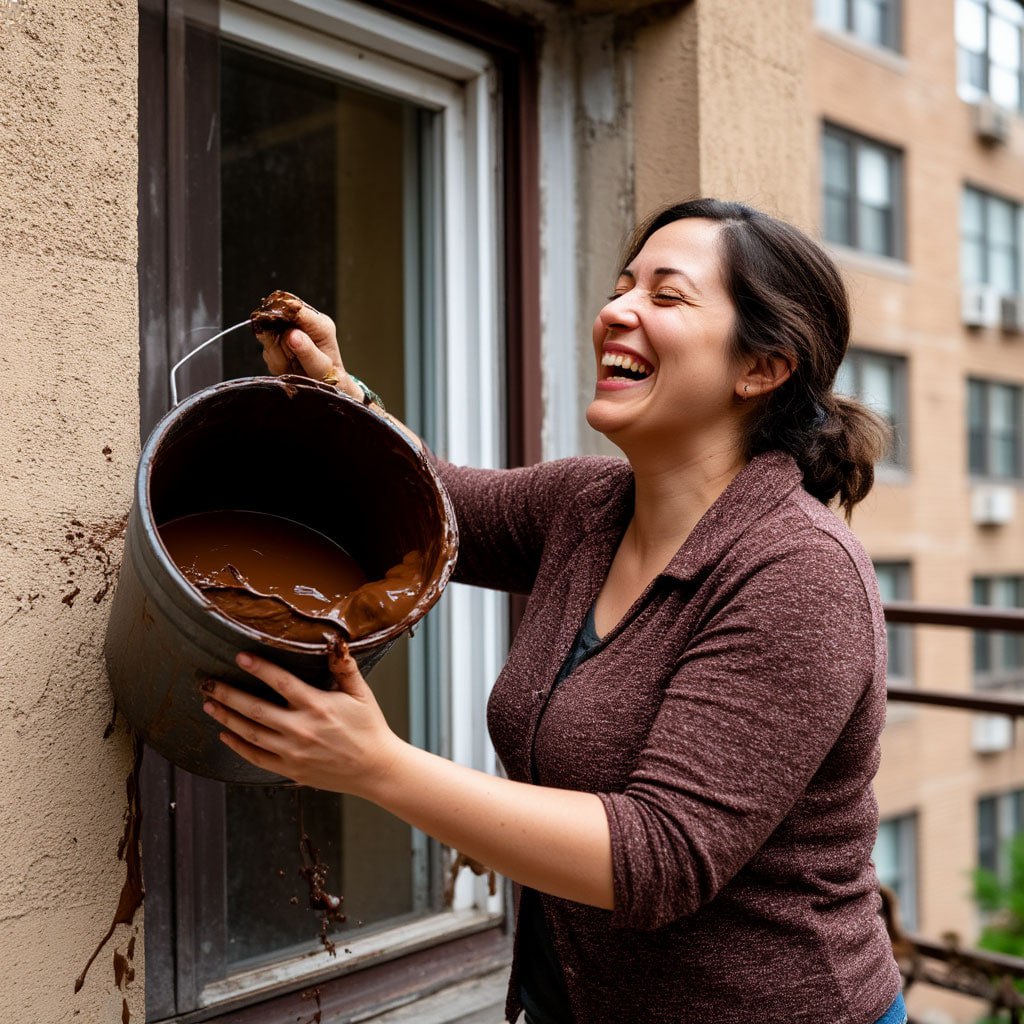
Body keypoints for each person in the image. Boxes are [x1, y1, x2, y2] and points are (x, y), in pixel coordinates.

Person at [202, 198, 907, 1023]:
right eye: (621, 287)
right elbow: (429, 500)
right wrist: (336, 390)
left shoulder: (799, 573)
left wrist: (376, 766)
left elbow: (661, 855)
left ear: (761, 368)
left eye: (666, 295)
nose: (617, 311)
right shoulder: (588, 506)